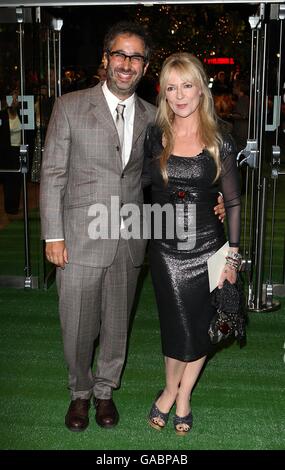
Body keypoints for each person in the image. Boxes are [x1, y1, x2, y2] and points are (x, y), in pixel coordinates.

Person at [40, 22, 225, 433]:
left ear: (144, 67)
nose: (127, 64)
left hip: (129, 240)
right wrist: (53, 235)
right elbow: (52, 173)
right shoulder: (70, 106)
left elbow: (174, 173)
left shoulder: (152, 118)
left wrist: (212, 202)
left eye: (136, 57)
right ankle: (80, 394)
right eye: (120, 55)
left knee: (117, 326)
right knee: (77, 326)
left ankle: (105, 391)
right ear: (106, 59)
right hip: (78, 239)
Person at [143, 52, 241, 436]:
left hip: (209, 248)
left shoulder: (220, 140)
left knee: (200, 326)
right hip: (166, 250)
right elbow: (140, 189)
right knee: (175, 325)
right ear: (164, 94)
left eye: (187, 85)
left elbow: (232, 201)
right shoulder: (154, 135)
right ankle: (170, 388)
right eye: (171, 87)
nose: (180, 95)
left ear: (201, 88)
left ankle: (181, 397)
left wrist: (232, 257)